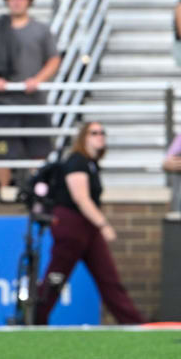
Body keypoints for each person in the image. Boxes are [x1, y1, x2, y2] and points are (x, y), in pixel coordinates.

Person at [35, 122, 145, 325]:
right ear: (83, 137)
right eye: (94, 133)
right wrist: (104, 225)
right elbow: (81, 198)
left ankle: (134, 324)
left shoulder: (90, 163)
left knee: (109, 278)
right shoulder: (76, 161)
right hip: (71, 225)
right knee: (56, 278)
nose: (100, 136)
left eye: (103, 132)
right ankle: (35, 320)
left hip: (87, 228)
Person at [0, 0, 60, 187]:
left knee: (38, 152)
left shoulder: (41, 30)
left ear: (29, 1)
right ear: (7, 1)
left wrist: (37, 80)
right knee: (3, 152)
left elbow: (54, 59)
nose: (16, 2)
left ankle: (38, 193)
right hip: (4, 105)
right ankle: (1, 197)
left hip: (34, 103)